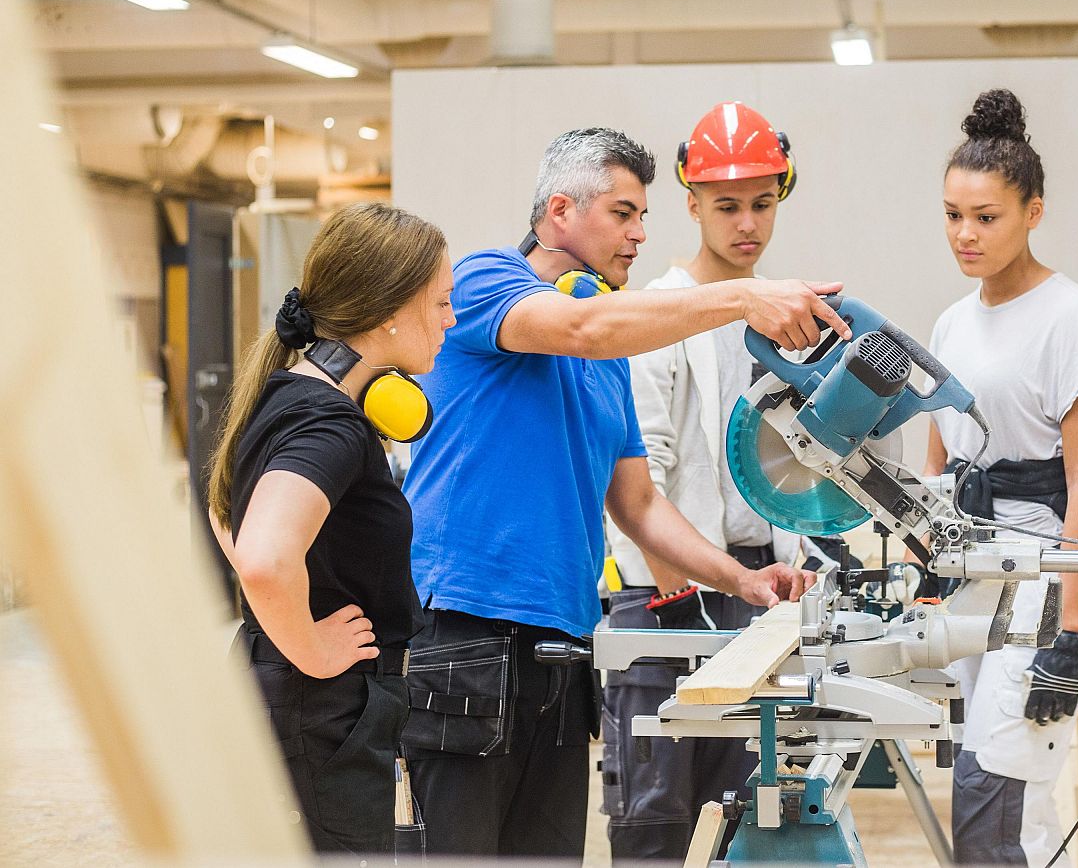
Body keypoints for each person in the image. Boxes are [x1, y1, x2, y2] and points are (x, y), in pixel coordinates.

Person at [398, 126, 837, 858]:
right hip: (466, 636)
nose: (639, 235)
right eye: (624, 214)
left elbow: (636, 505)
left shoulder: (608, 359)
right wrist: (742, 297)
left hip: (562, 648)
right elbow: (582, 325)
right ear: (560, 210)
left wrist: (744, 578)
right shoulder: (482, 282)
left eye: (644, 218)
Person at [600, 101, 829, 862]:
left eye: (763, 203)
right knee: (654, 831)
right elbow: (640, 485)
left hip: (757, 598)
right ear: (691, 204)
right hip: (664, 601)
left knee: (747, 827)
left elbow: (798, 464)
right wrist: (686, 594)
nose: (747, 224)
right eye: (727, 205)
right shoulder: (657, 314)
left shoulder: (784, 316)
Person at [205, 202, 455, 852]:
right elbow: (261, 554)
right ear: (391, 311)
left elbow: (222, 508)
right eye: (441, 303)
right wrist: (309, 647)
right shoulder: (331, 424)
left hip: (301, 701)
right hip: (320, 707)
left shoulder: (283, 391)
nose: (450, 321)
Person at [923, 89, 1078, 866]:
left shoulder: (1072, 318)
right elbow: (934, 457)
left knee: (993, 795)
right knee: (1023, 803)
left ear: (1033, 211)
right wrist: (925, 576)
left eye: (986, 217)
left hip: (1043, 583)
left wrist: (1070, 636)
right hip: (972, 575)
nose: (964, 235)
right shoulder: (949, 323)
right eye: (951, 215)